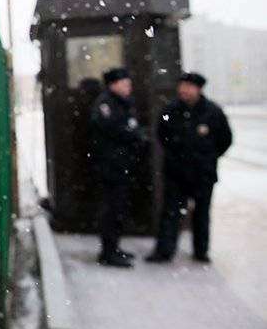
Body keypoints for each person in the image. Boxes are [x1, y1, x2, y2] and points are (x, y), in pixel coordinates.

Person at [146, 72, 232, 263]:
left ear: (198, 89)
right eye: (182, 85)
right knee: (171, 212)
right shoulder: (170, 110)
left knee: (201, 213)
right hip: (176, 172)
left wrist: (208, 157)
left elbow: (225, 139)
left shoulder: (213, 111)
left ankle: (201, 251)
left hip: (203, 173)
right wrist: (176, 154)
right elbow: (162, 134)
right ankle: (164, 251)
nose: (184, 90)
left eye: (189, 86)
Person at [89, 67, 148, 268]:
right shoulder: (106, 104)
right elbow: (115, 130)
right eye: (125, 83)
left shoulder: (122, 102)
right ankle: (108, 252)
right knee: (111, 209)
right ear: (113, 85)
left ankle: (114, 247)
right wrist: (134, 134)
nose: (128, 87)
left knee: (119, 208)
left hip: (121, 165)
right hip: (111, 166)